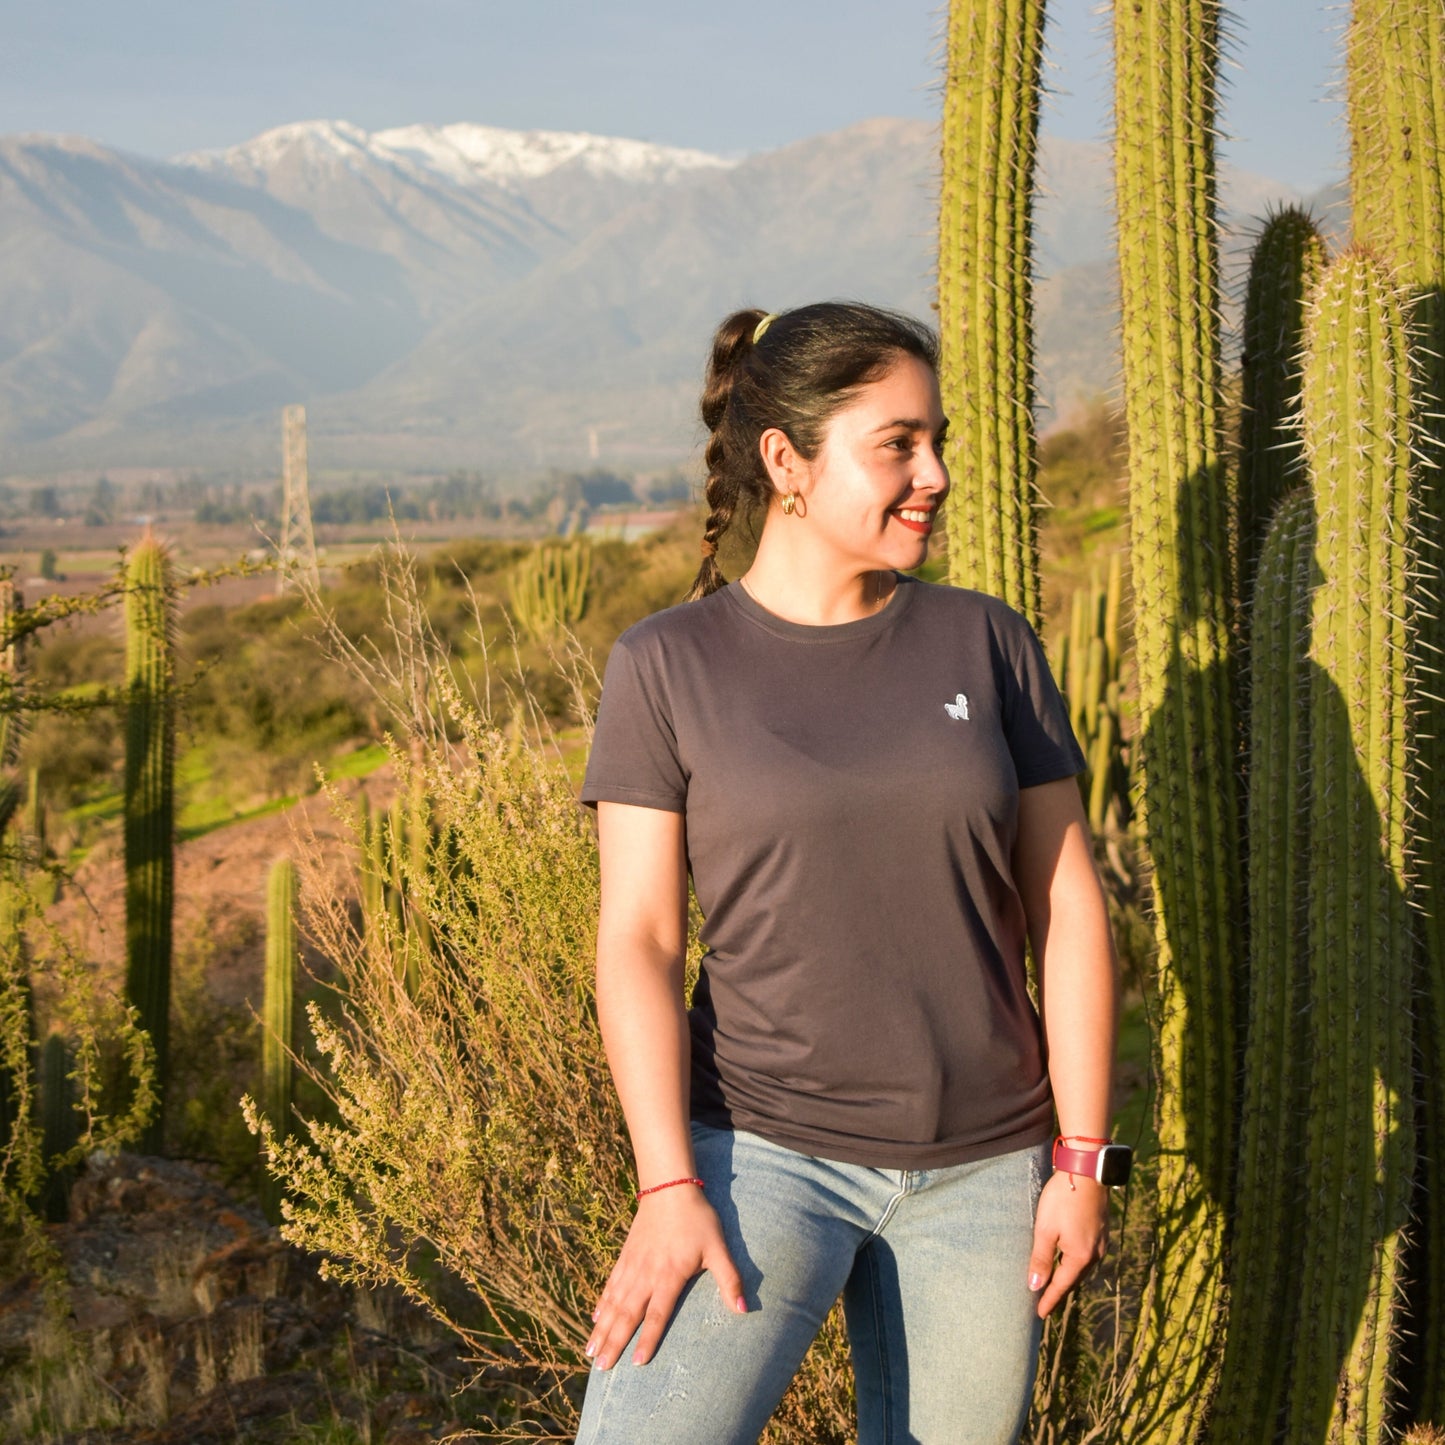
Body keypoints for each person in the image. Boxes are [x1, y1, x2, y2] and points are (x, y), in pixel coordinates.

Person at [575, 302, 1122, 1445]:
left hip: (984, 1174)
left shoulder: (987, 641)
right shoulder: (667, 664)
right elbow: (638, 938)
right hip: (757, 1154)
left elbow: (1067, 904)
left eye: (937, 441)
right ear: (785, 460)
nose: (933, 473)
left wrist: (1079, 1156)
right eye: (897, 444)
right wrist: (666, 1185)